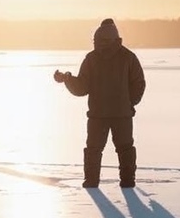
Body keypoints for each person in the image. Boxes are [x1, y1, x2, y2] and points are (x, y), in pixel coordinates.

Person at [54, 18, 146, 188]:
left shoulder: (94, 58)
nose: (95, 43)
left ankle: (91, 182)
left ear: (100, 39)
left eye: (96, 40)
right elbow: (139, 83)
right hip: (119, 115)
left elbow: (81, 88)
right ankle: (127, 182)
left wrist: (67, 79)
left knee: (94, 149)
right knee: (124, 148)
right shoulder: (128, 57)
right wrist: (129, 103)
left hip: (100, 115)